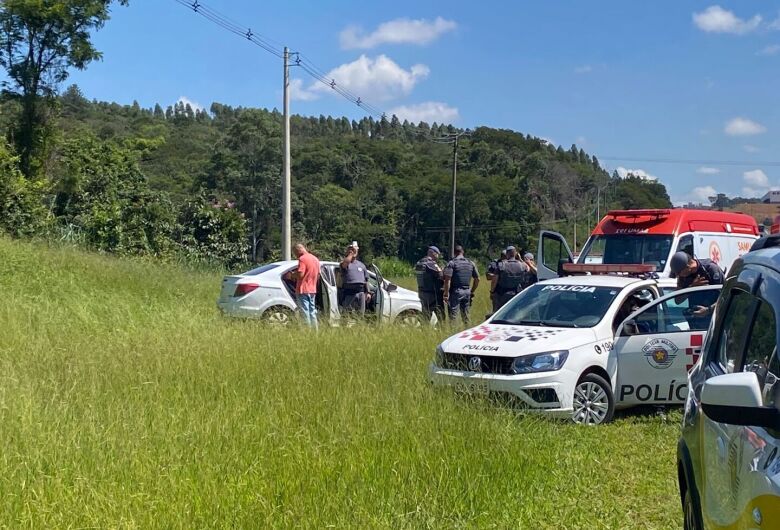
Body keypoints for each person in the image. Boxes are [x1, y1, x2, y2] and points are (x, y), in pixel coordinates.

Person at [670, 251, 724, 324]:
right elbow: (677, 300)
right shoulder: (683, 277)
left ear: (687, 267)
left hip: (714, 320)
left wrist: (708, 310)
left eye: (679, 273)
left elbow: (725, 297)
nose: (678, 275)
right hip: (695, 323)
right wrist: (691, 288)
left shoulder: (711, 269)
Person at [443, 245, 480, 325]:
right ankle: (467, 332)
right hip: (467, 291)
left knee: (453, 316)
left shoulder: (452, 263)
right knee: (466, 316)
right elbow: (477, 279)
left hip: (456, 292)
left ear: (454, 253)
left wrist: (446, 294)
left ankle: (453, 333)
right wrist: (472, 291)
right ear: (462, 252)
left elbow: (447, 280)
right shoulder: (471, 263)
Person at [290, 243, 320, 329]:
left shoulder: (302, 259)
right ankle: (315, 332)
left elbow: (300, 274)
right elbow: (318, 275)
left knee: (305, 312)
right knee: (312, 311)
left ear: (298, 250)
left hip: (303, 289)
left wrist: (292, 275)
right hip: (312, 289)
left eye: (295, 253)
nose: (295, 255)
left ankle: (307, 331)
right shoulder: (315, 259)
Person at [415, 246, 445, 323]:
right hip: (433, 294)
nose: (438, 256)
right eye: (437, 254)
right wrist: (442, 270)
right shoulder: (431, 263)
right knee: (441, 317)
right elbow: (441, 275)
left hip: (422, 293)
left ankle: (424, 331)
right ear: (433, 253)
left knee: (425, 316)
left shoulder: (419, 262)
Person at [340, 243, 369, 318]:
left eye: (355, 249)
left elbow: (366, 280)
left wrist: (368, 292)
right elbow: (345, 264)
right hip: (349, 293)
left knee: (360, 314)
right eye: (351, 249)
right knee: (346, 314)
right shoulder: (345, 263)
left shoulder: (362, 265)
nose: (353, 250)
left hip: (360, 293)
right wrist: (350, 254)